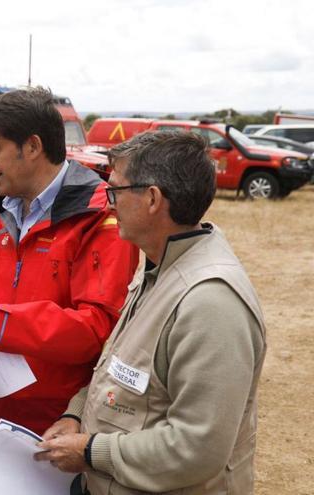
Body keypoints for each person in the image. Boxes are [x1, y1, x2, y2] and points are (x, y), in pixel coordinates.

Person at [36, 131, 266, 494]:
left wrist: (92, 451)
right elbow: (120, 368)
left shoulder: (211, 301)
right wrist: (76, 414)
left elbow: (197, 447)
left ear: (153, 199)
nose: (109, 205)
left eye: (115, 191)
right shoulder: (162, 266)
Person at [0, 87, 139, 435]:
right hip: (0, 415)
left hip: (69, 424)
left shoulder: (99, 215)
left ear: (32, 146)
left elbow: (96, 329)